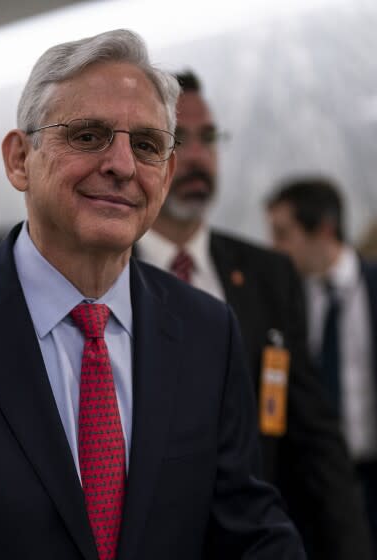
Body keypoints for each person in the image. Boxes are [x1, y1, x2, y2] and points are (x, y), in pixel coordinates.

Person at [0, 29, 304, 559]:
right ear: (19, 159)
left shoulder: (206, 332)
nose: (122, 165)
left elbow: (246, 526)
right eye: (87, 136)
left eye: (146, 146)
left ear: (165, 175)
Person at [135, 72, 371, 558]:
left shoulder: (266, 274)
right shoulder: (106, 272)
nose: (198, 156)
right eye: (178, 138)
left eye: (208, 138)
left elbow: (313, 435)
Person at [267, 177, 377, 556]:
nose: (275, 248)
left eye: (284, 234)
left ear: (324, 229)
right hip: (311, 493)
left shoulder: (372, 288)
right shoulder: (283, 304)